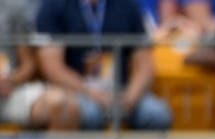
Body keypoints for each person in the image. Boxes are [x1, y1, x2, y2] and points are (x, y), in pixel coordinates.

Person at [36, 0, 173, 130]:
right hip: (77, 91)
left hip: (120, 91)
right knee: (90, 115)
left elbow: (145, 66)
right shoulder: (54, 5)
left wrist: (130, 97)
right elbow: (52, 68)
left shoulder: (128, 5)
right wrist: (91, 93)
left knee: (156, 114)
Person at [0, 0, 80, 130]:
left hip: (10, 91)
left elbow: (28, 65)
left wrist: (10, 80)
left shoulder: (13, 9)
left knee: (62, 104)